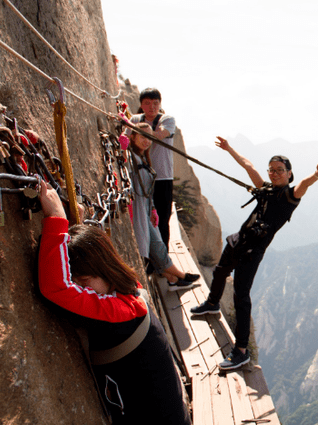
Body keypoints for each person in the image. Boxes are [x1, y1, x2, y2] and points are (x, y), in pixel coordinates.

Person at [37, 180, 192, 425]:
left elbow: (57, 287)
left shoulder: (119, 313)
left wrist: (56, 219)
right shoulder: (131, 291)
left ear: (103, 271)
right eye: (75, 281)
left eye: (84, 280)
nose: (80, 289)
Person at [190, 136, 318, 370]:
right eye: (272, 169)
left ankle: (241, 351)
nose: (274, 173)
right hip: (239, 239)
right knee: (219, 271)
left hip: (253, 251)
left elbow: (304, 185)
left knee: (241, 297)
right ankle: (212, 303)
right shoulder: (265, 188)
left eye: (279, 170)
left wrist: (316, 175)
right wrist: (229, 149)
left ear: (288, 173)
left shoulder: (289, 196)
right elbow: (248, 166)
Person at [129, 122, 199, 291]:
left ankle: (172, 278)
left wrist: (152, 208)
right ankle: (179, 276)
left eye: (150, 137)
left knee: (156, 243)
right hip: (137, 211)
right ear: (133, 137)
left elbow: (148, 190)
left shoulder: (144, 158)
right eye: (143, 136)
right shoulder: (130, 156)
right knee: (154, 244)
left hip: (145, 209)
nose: (147, 141)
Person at [130, 88, 176, 247]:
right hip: (142, 177)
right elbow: (125, 133)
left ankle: (163, 261)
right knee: (143, 217)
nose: (152, 107)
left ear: (160, 104)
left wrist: (141, 134)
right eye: (147, 103)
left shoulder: (167, 119)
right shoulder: (136, 119)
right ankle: (149, 256)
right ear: (141, 105)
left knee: (163, 220)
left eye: (155, 103)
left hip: (163, 178)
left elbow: (161, 134)